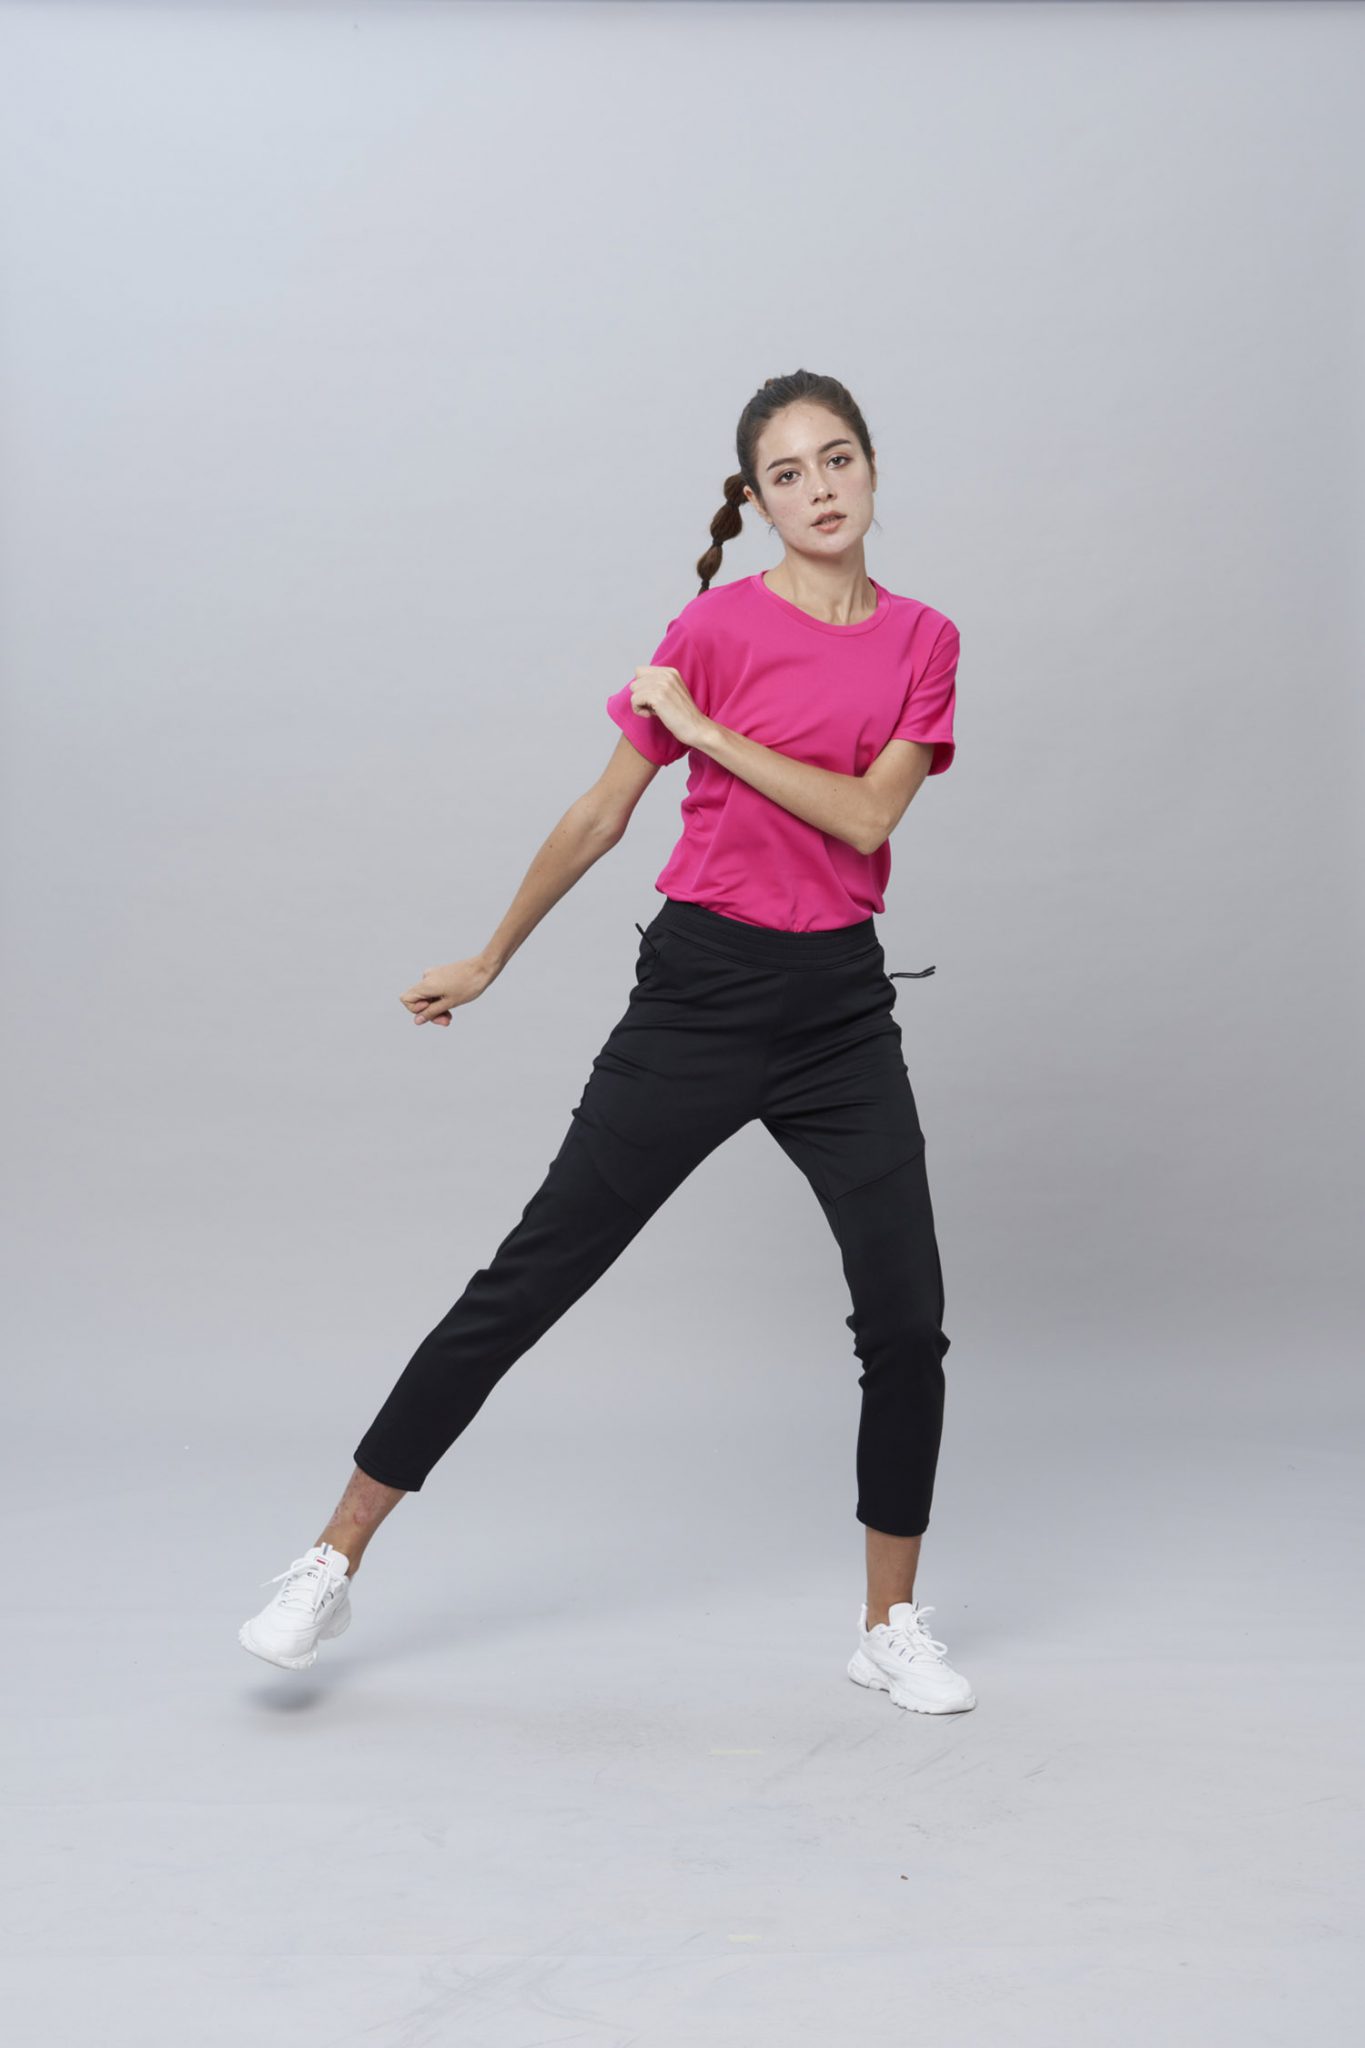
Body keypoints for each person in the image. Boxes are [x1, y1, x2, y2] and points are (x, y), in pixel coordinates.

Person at [239, 369, 975, 1715]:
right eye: (789, 474)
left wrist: (706, 733)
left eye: (838, 459)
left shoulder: (924, 639)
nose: (819, 489)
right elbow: (601, 812)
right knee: (531, 1276)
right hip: (698, 996)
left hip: (838, 1014)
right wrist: (489, 956)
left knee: (907, 1321)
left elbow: (869, 820)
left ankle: (890, 1627)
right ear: (757, 502)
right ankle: (329, 1561)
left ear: (872, 469)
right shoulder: (713, 626)